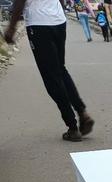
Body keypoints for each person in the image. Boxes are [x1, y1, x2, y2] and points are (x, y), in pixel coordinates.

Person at [3, 0, 95, 141]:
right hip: (58, 20)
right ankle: (82, 112)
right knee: (60, 70)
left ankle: (72, 126)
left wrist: (11, 28)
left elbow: (20, 2)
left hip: (39, 24)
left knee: (51, 77)